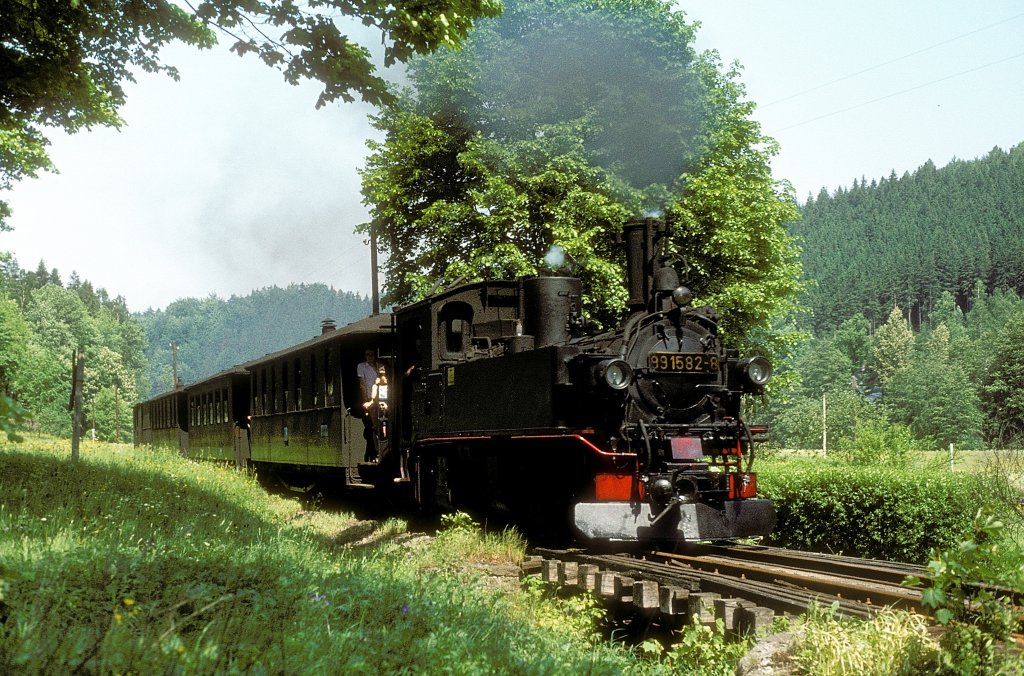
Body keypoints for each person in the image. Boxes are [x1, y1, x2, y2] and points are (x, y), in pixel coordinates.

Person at [357, 349, 378, 462]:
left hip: (379, 397)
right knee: (371, 427)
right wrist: (366, 400)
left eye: (372, 354)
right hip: (369, 399)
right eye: (367, 354)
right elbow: (362, 383)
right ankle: (371, 454)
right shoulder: (361, 366)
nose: (370, 356)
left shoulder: (379, 366)